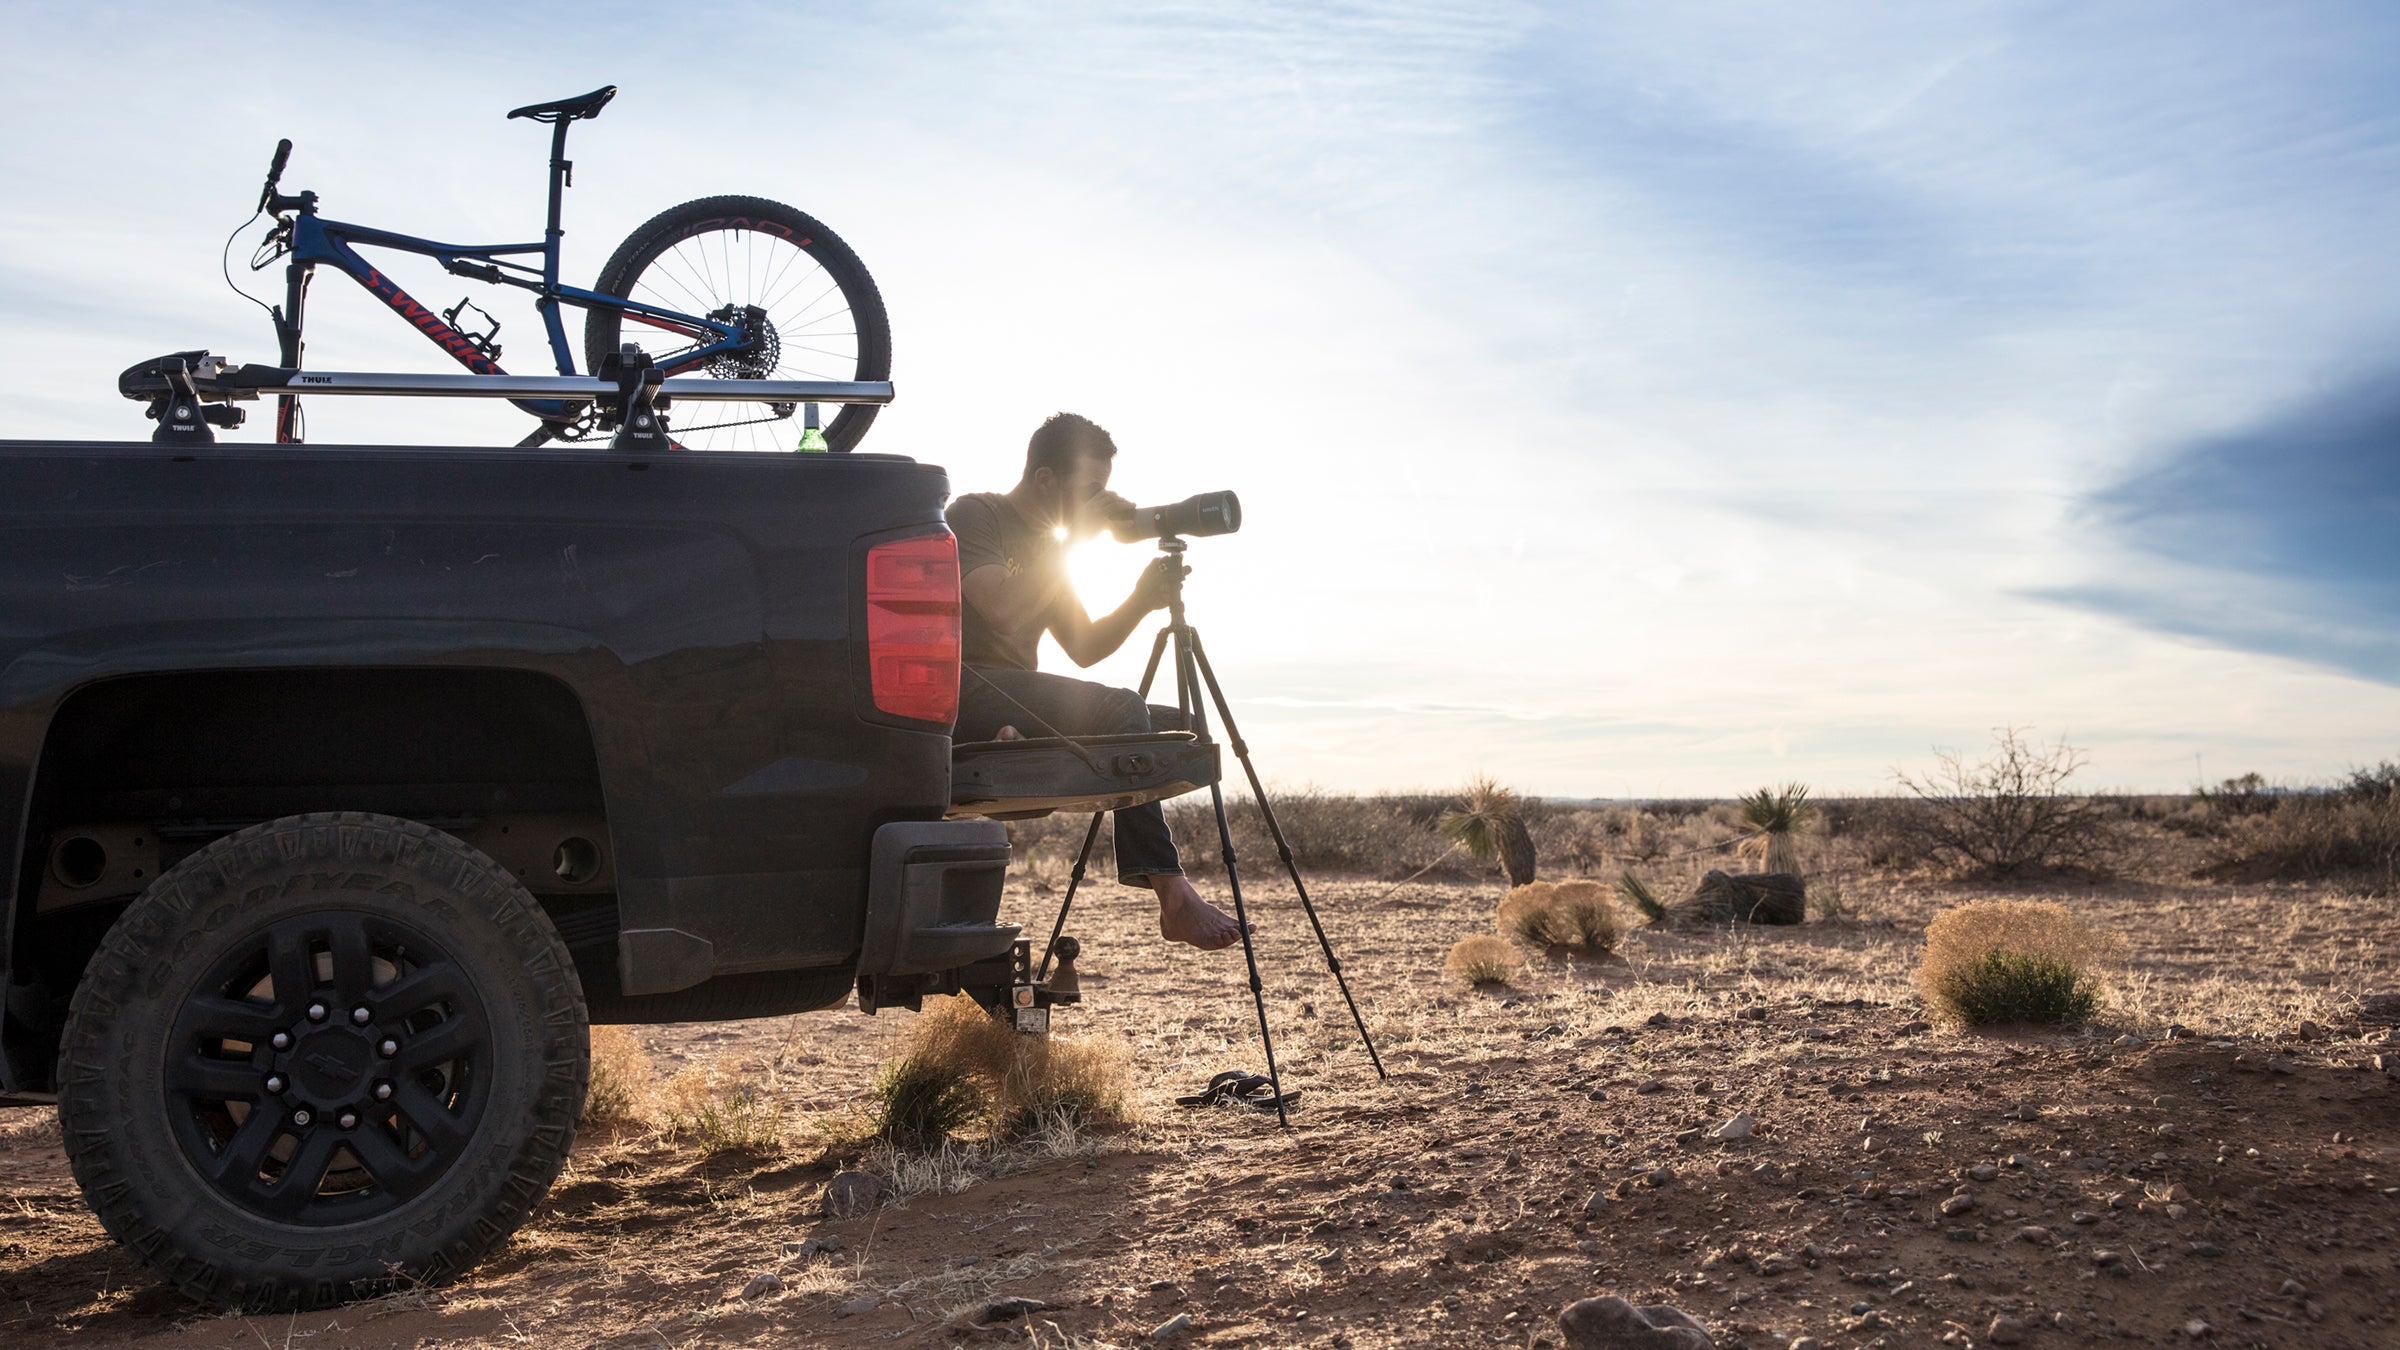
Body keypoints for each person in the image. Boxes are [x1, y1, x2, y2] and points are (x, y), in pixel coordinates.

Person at [948, 412, 1245, 951]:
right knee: (1121, 712)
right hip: (967, 689)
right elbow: (1003, 611)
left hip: (1020, 697)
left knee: (1179, 730)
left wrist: (1140, 598)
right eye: (1090, 490)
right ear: (1045, 479)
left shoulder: (1048, 543)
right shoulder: (976, 514)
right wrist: (1072, 541)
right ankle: (1173, 897)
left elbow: (1085, 648)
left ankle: (1026, 749)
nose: (1099, 503)